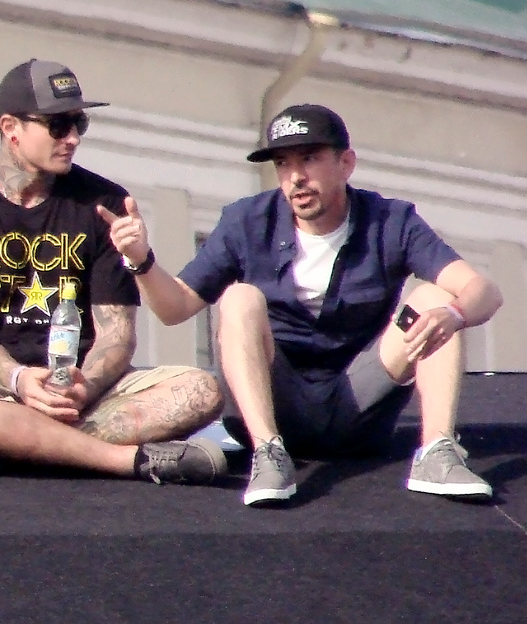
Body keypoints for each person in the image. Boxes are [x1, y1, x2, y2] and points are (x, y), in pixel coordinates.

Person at [102, 103, 502, 506]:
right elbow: (174, 308)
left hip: (358, 406)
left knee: (435, 298)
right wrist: (141, 260)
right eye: (283, 163)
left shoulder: (390, 221)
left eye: (309, 159)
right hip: (278, 403)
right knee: (240, 297)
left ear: (346, 163)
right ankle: (268, 454)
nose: (296, 177)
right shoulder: (247, 221)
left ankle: (437, 452)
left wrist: (454, 314)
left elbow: (483, 291)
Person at [0, 59, 226, 484]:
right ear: (10, 127)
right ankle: (126, 461)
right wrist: (19, 379)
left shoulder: (106, 204)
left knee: (201, 390)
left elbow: (117, 335)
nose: (73, 138)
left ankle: (2, 446)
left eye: (80, 123)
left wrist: (84, 387)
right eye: (58, 125)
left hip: (84, 391)